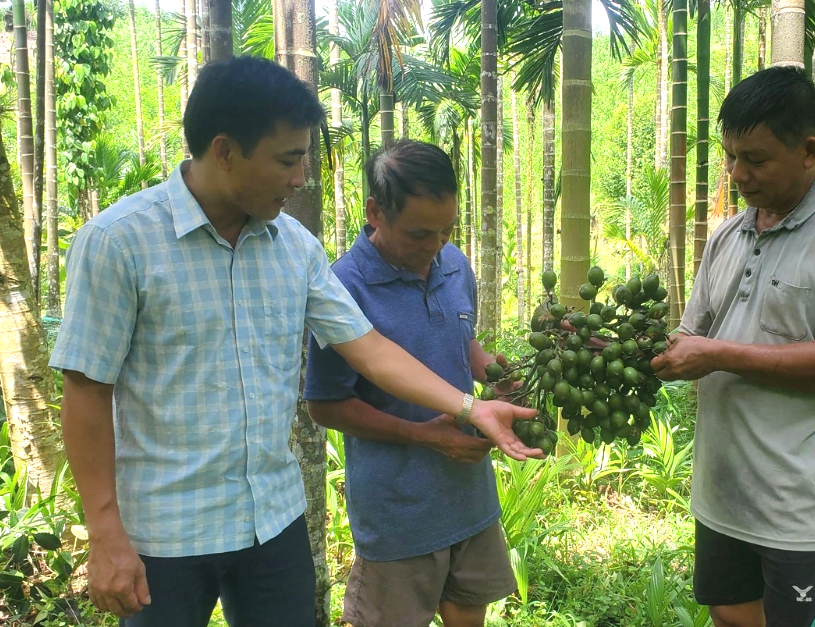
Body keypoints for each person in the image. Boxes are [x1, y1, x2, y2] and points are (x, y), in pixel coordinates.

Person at [49, 56, 541, 627]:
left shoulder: (295, 248)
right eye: (288, 159)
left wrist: (471, 407)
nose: (301, 177)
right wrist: (104, 530)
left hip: (273, 525)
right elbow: (86, 389)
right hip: (165, 533)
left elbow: (370, 349)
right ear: (225, 150)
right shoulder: (119, 242)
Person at [650, 66, 815, 627]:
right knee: (730, 613)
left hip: (797, 508)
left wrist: (716, 354)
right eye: (731, 156)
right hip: (721, 494)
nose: (738, 174)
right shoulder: (727, 236)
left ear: (808, 151)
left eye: (755, 159)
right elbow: (690, 336)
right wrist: (614, 345)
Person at [304, 140, 517, 627]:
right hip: (398, 513)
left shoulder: (453, 263)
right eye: (420, 233)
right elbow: (326, 404)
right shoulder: (343, 288)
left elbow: (460, 340)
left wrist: (497, 375)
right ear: (375, 212)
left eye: (446, 229)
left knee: (469, 612)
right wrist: (422, 435)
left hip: (469, 496)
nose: (435, 245)